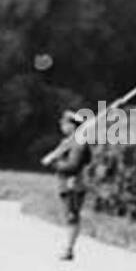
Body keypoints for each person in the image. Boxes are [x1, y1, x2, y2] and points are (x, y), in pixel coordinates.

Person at [47, 110, 91, 261]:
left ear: (72, 126)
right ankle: (67, 247)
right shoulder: (69, 142)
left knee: (72, 216)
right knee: (68, 216)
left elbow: (73, 165)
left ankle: (68, 249)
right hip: (67, 184)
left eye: (64, 123)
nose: (62, 126)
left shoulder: (78, 143)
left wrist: (54, 163)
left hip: (73, 184)